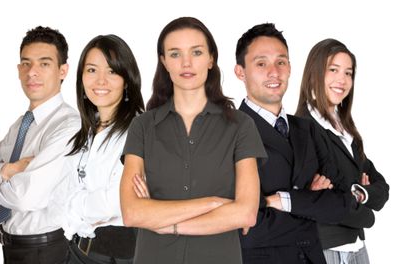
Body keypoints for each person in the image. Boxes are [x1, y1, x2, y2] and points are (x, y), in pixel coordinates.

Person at [119, 17, 266, 264]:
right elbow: (132, 213)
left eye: (196, 52)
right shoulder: (142, 126)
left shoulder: (241, 126)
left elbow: (246, 213)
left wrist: (167, 222)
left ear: (211, 59)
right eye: (175, 54)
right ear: (164, 61)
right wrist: (214, 204)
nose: (186, 63)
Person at [234, 23, 353, 264]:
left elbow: (342, 204)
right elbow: (244, 228)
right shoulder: (230, 132)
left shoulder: (306, 128)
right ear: (240, 72)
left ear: (290, 67)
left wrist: (278, 201)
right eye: (261, 63)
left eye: (281, 62)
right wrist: (310, 203)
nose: (274, 72)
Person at [0, 26, 80, 264]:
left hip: (46, 251)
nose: (32, 72)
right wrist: (8, 171)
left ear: (63, 71)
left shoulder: (68, 126)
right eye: (26, 63)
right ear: (18, 70)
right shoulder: (22, 124)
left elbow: (25, 198)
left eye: (44, 63)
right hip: (13, 248)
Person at [295, 38, 389, 264]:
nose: (343, 79)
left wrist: (358, 193)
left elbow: (382, 187)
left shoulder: (347, 130)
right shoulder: (303, 128)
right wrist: (368, 215)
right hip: (327, 249)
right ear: (314, 74)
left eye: (348, 73)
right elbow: (323, 202)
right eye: (333, 69)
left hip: (357, 248)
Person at [63, 34, 144, 264]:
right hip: (77, 251)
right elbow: (59, 191)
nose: (100, 81)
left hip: (115, 255)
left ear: (127, 79)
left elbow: (118, 200)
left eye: (112, 71)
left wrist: (73, 205)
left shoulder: (138, 131)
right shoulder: (85, 132)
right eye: (91, 70)